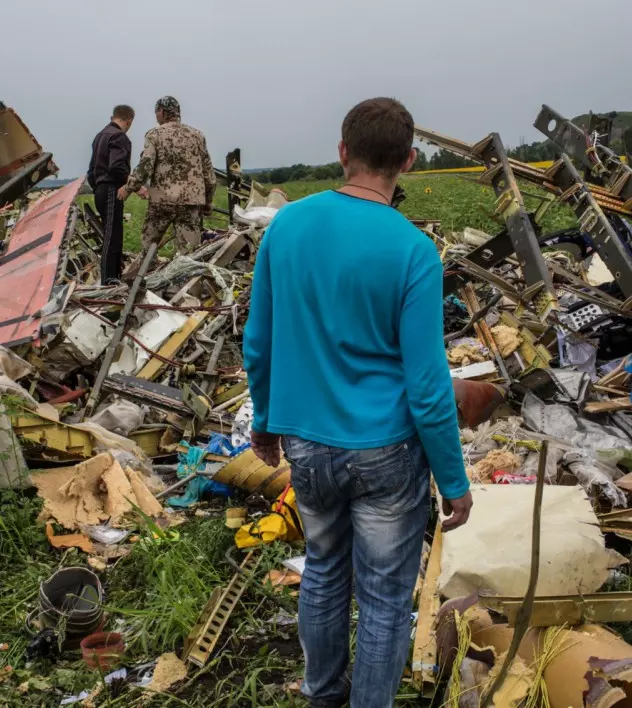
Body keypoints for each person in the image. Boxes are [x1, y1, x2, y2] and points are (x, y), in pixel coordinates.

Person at [243, 98, 473, 708]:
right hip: (387, 455)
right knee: (386, 598)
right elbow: (427, 384)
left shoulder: (285, 227)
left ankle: (322, 695)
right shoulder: (413, 251)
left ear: (342, 152)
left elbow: (258, 343)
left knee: (322, 569)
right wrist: (454, 480)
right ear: (409, 161)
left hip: (309, 447)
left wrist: (265, 424)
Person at [119, 96, 216, 274]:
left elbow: (145, 166)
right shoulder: (197, 135)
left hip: (161, 201)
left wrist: (129, 187)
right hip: (191, 202)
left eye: (156, 112)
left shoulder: (154, 135)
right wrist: (208, 201)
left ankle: (145, 285)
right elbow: (208, 173)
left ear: (162, 112)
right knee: (189, 255)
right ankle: (185, 291)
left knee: (149, 249)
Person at [87, 105, 135, 284]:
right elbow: (117, 166)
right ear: (129, 120)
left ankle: (114, 276)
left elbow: (91, 170)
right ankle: (109, 278)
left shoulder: (100, 136)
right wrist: (133, 186)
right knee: (112, 236)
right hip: (111, 188)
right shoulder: (119, 136)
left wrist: (97, 186)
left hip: (99, 187)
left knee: (111, 232)